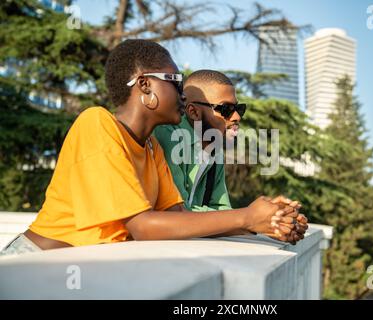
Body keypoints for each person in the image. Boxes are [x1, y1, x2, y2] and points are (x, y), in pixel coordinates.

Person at [0, 40, 298, 256]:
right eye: (176, 83)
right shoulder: (96, 123)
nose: (184, 96)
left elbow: (181, 219)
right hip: (32, 265)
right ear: (144, 86)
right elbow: (142, 226)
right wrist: (246, 217)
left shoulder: (152, 147)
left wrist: (266, 221)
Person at [154, 70, 308, 244]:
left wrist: (273, 222)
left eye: (238, 109)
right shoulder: (168, 138)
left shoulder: (214, 148)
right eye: (225, 109)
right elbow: (176, 214)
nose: (236, 117)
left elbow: (221, 210)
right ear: (194, 112)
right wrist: (251, 219)